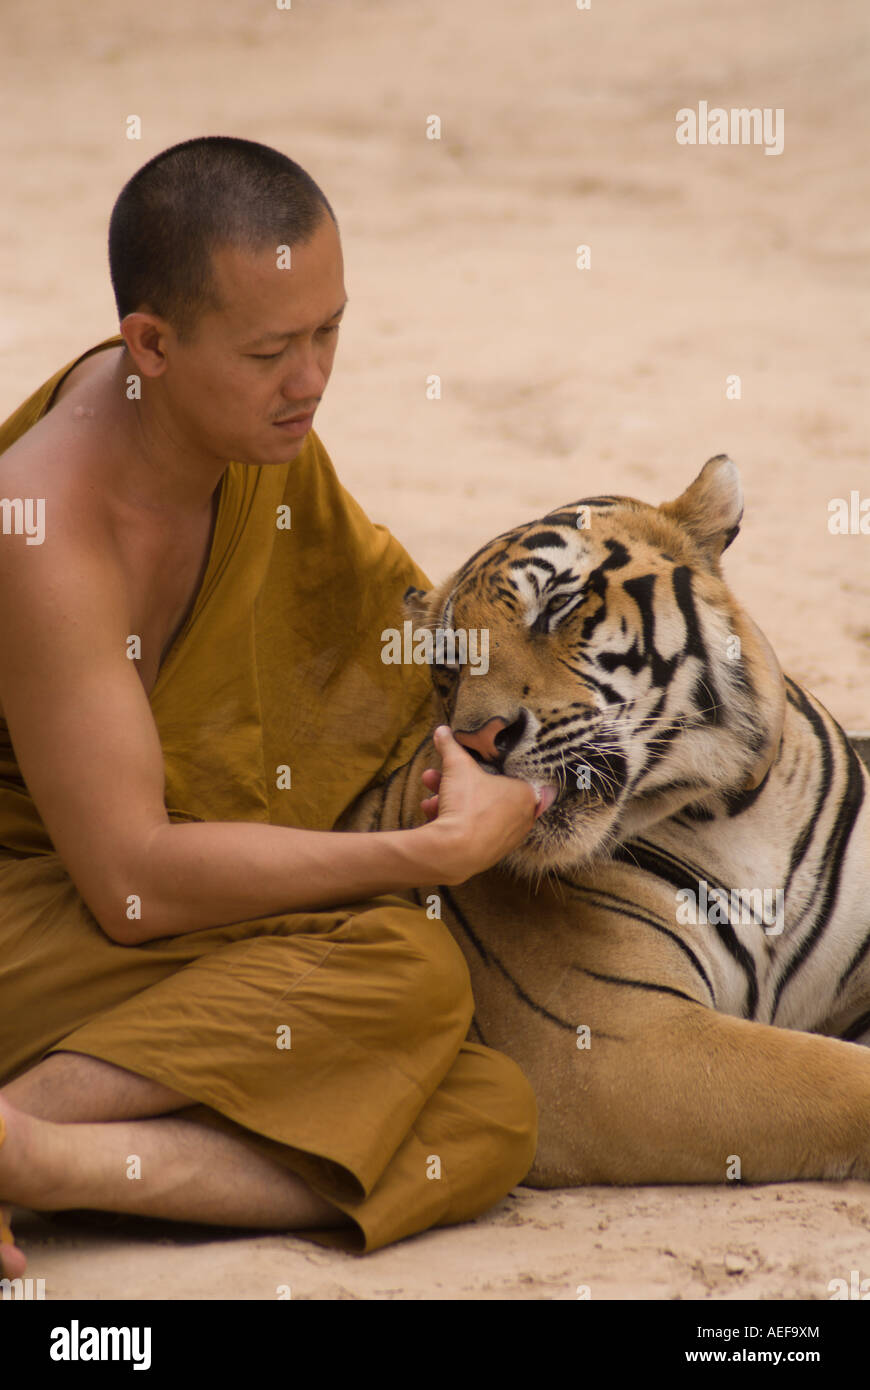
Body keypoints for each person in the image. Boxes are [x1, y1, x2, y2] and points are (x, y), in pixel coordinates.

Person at [0, 136, 543, 1278]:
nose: (311, 380)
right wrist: (422, 853)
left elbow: (381, 639)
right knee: (406, 969)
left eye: (329, 330)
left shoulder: (247, 433)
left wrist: (498, 728)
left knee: (484, 1119)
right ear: (148, 342)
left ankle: (38, 1155)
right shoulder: (44, 531)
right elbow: (137, 886)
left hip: (112, 896)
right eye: (270, 349)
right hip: (39, 903)